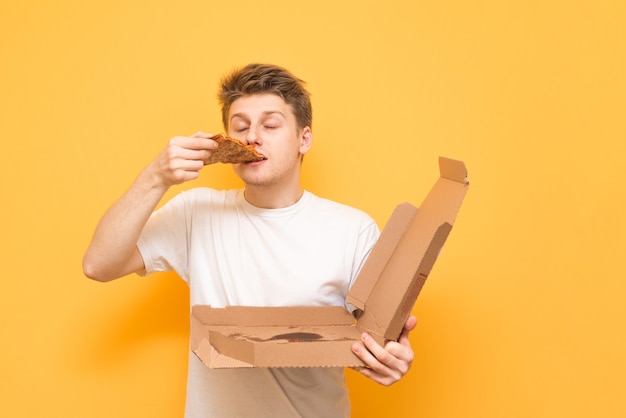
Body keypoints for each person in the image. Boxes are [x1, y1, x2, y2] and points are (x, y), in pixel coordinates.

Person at [83, 63, 417, 417]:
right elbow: (99, 264)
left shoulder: (353, 229)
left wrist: (392, 355)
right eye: (240, 127)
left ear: (304, 139)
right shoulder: (197, 213)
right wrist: (155, 177)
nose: (251, 137)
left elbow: (380, 335)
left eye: (270, 125)